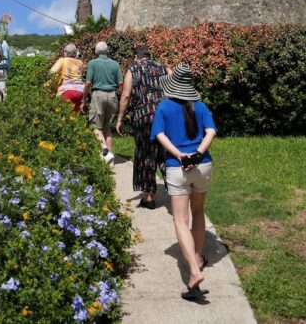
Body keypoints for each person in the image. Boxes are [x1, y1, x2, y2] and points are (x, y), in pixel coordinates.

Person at [150, 62, 216, 301]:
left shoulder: (165, 107)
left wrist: (179, 155)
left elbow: (159, 134)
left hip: (178, 167)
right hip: (203, 166)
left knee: (180, 219)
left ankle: (194, 271)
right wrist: (197, 153)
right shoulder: (201, 106)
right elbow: (211, 132)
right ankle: (198, 256)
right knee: (198, 212)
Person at [116, 46, 168, 209]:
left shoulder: (133, 69)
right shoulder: (164, 68)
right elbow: (175, 90)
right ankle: (177, 189)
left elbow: (125, 96)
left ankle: (149, 197)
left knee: (146, 154)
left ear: (137, 57)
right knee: (165, 152)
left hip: (144, 118)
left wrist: (120, 119)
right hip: (164, 116)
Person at [82, 41, 123, 165]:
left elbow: (88, 82)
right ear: (107, 51)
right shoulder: (115, 64)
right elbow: (120, 83)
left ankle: (105, 150)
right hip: (112, 95)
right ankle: (110, 160)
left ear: (96, 51)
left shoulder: (93, 63)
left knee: (95, 126)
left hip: (98, 94)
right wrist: (120, 98)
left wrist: (84, 98)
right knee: (107, 127)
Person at [49, 43, 85, 112]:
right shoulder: (81, 63)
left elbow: (51, 72)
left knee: (61, 114)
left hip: (67, 91)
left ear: (65, 52)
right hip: (80, 92)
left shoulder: (63, 60)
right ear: (75, 53)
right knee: (74, 116)